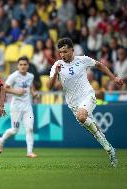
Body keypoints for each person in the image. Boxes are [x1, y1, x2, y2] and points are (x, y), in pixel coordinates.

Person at [48, 38, 123, 167]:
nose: (62, 55)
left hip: (88, 95)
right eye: (60, 52)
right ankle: (110, 150)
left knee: (81, 116)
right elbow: (49, 87)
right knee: (94, 131)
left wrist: (114, 77)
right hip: (73, 104)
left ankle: (106, 145)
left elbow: (100, 65)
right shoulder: (57, 65)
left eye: (65, 51)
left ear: (72, 50)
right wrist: (56, 74)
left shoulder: (82, 60)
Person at [0, 56, 37, 158]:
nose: (23, 66)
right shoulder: (13, 76)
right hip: (16, 107)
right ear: (18, 66)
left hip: (27, 106)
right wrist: (16, 91)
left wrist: (33, 93)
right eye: (21, 65)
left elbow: (30, 85)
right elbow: (4, 89)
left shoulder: (30, 76)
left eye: (25, 64)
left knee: (30, 128)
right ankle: (1, 140)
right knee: (15, 130)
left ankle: (29, 152)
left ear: (28, 65)